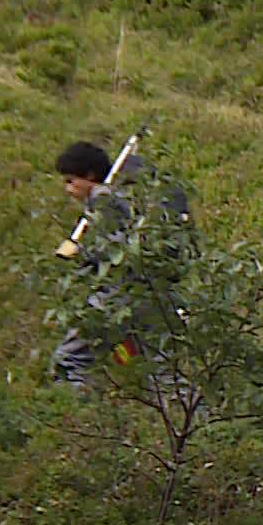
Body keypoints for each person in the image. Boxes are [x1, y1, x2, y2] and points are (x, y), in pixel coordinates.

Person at [50, 140, 191, 388]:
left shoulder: (105, 203)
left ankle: (78, 416)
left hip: (118, 298)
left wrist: (81, 253)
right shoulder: (131, 198)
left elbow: (116, 253)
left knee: (70, 360)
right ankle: (191, 420)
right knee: (164, 372)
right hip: (157, 293)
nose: (68, 189)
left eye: (71, 181)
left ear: (90, 176)